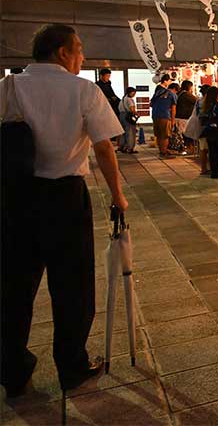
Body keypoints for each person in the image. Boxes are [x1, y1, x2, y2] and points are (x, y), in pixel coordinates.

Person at [0, 23, 127, 397]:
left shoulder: (8, 87)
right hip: (66, 198)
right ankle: (71, 366)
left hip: (16, 199)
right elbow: (103, 148)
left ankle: (12, 369)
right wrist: (117, 196)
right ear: (62, 52)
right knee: (72, 285)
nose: (82, 57)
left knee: (14, 286)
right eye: (79, 49)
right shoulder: (84, 90)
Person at [150, 78, 177, 158]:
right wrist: (173, 121)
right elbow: (173, 108)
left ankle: (161, 151)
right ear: (174, 89)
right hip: (165, 116)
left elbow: (151, 104)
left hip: (155, 115)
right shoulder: (172, 94)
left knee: (159, 135)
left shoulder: (158, 92)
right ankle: (164, 152)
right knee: (165, 135)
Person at [175, 81, 197, 151]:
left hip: (179, 117)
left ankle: (185, 148)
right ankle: (189, 148)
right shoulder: (187, 94)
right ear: (189, 87)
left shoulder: (179, 93)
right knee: (187, 134)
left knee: (182, 134)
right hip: (184, 118)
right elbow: (196, 101)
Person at [118, 87, 138, 153]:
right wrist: (137, 114)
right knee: (130, 132)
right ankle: (130, 148)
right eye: (133, 92)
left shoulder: (123, 99)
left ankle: (122, 147)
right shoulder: (129, 100)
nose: (134, 94)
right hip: (128, 116)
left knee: (123, 132)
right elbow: (132, 109)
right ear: (130, 92)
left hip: (121, 116)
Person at [196, 85, 210, 174]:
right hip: (206, 127)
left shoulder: (199, 101)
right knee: (206, 148)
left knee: (203, 148)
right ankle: (204, 169)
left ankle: (203, 168)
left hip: (200, 126)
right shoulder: (207, 102)